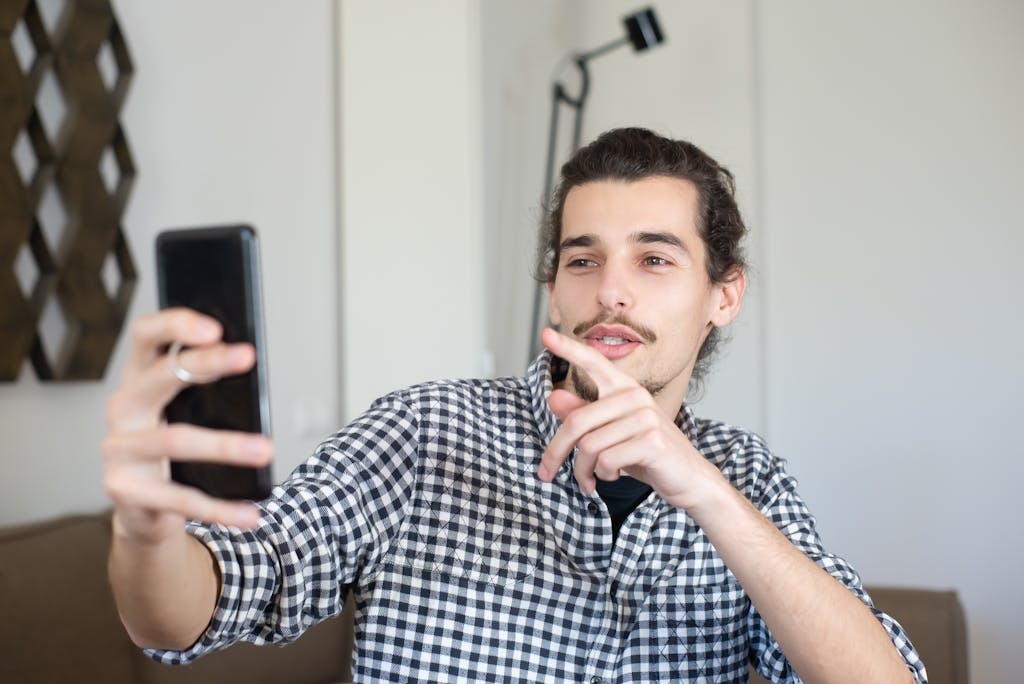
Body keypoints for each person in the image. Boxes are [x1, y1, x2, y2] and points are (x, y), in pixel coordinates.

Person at [104, 127, 927, 682]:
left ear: (724, 295)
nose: (610, 291)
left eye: (654, 260)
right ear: (552, 285)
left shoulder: (750, 477)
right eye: (582, 259)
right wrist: (148, 534)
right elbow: (193, 610)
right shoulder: (424, 431)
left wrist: (702, 492)